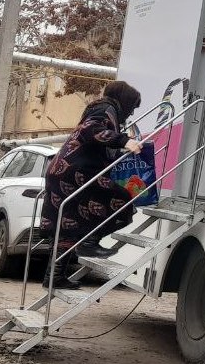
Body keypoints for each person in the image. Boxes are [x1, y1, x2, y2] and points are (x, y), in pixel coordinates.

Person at [40, 80, 143, 288]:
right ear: (124, 101)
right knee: (122, 202)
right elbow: (91, 130)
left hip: (64, 172)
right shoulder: (105, 109)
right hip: (76, 173)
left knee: (67, 226)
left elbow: (94, 143)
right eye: (132, 107)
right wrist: (124, 141)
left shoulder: (101, 108)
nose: (131, 113)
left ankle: (54, 277)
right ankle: (89, 241)